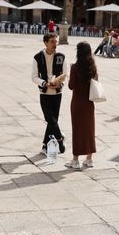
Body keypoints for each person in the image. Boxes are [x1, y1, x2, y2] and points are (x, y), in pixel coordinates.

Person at [31, 33, 68, 153]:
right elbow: (34, 77)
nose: (55, 44)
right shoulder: (38, 57)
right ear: (45, 43)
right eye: (52, 41)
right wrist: (44, 83)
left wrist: (60, 84)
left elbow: (65, 75)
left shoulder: (61, 57)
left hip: (57, 94)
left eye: (56, 41)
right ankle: (60, 139)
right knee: (50, 119)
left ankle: (45, 146)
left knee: (53, 121)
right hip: (44, 93)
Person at [65, 42, 97, 170]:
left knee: (77, 130)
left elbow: (71, 86)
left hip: (77, 102)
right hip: (89, 103)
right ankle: (89, 159)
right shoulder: (93, 66)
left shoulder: (75, 67)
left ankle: (75, 160)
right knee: (89, 130)